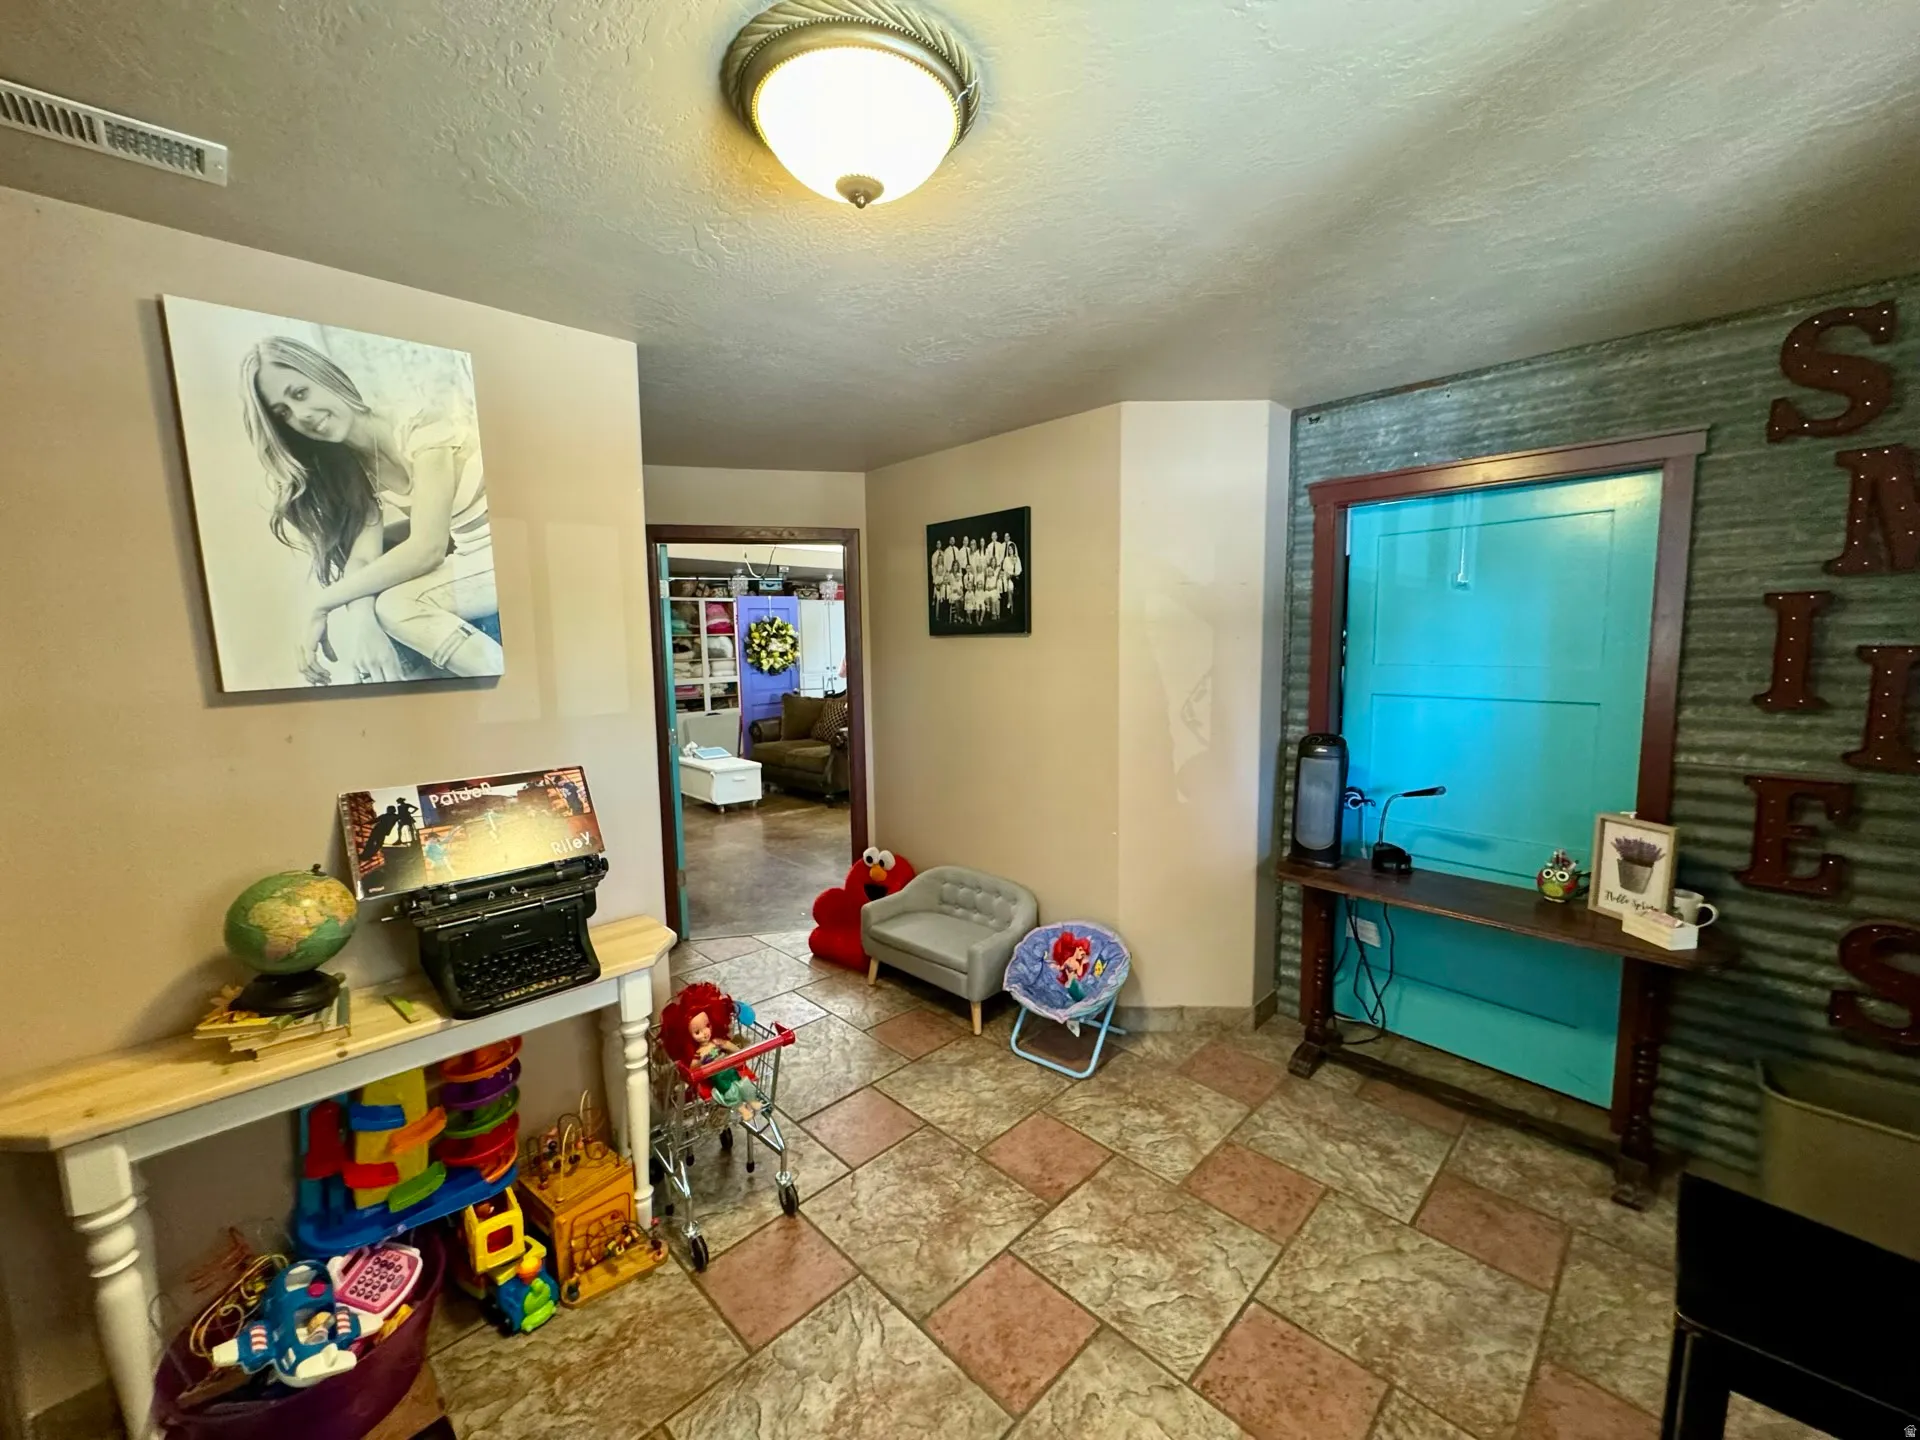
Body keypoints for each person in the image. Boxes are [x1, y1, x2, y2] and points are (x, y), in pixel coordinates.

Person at [240, 336, 502, 684]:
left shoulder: (417, 421)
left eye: (300, 393)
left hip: (504, 550)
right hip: (474, 560)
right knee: (375, 629)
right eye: (283, 413)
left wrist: (322, 604)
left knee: (396, 607)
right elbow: (362, 558)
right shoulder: (359, 469)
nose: (301, 416)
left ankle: (504, 679)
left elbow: (427, 548)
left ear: (324, 375)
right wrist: (362, 620)